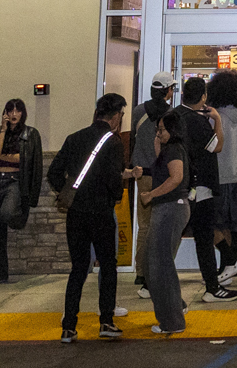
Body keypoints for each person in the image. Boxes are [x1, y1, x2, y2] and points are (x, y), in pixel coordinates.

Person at [48, 93, 136, 342]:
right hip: (101, 213)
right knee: (107, 265)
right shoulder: (113, 142)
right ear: (116, 116)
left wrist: (68, 192)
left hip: (76, 213)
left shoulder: (74, 138)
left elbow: (53, 172)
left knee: (78, 268)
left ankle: (68, 326)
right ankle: (106, 321)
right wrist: (114, 197)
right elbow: (113, 179)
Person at [178, 76, 237, 302]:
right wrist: (217, 120)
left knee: (175, 236)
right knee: (204, 237)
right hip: (200, 184)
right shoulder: (198, 121)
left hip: (179, 184)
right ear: (203, 97)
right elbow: (217, 146)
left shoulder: (174, 116)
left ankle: (150, 283)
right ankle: (212, 287)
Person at [137, 106, 190, 334]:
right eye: (157, 130)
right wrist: (144, 170)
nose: (158, 134)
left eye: (161, 130)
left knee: (160, 266)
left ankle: (172, 321)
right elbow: (164, 171)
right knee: (154, 264)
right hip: (169, 208)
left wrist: (151, 194)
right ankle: (175, 310)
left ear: (173, 130)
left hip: (170, 208)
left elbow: (176, 177)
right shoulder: (170, 150)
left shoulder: (174, 150)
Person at [0, 97, 43, 284]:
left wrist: (6, 157)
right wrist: (3, 130)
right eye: (10, 110)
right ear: (5, 113)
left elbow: (25, 159)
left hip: (14, 181)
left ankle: (19, 219)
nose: (14, 114)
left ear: (23, 113)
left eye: (18, 110)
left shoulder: (31, 134)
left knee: (7, 212)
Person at [130, 73, 175, 302]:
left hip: (143, 174)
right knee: (162, 224)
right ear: (167, 90)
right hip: (164, 175)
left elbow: (133, 140)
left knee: (145, 224)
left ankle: (140, 270)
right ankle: (155, 269)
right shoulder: (171, 115)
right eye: (172, 88)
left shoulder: (138, 111)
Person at [208, 71, 237, 284]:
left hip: (219, 174)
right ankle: (229, 267)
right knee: (231, 223)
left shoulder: (214, 116)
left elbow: (211, 145)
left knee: (216, 223)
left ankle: (228, 263)